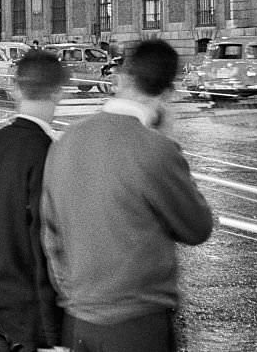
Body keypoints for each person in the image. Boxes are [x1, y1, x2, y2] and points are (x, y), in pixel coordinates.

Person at [42, 39, 214, 352]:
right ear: (168, 93)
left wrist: (75, 294)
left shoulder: (66, 140)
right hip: (138, 323)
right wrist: (167, 142)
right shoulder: (155, 149)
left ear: (124, 78)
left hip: (78, 320)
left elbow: (50, 233)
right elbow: (197, 227)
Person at [0, 50, 67, 352]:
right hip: (37, 316)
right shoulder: (50, 153)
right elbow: (48, 243)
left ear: (15, 88)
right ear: (59, 92)